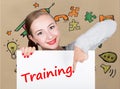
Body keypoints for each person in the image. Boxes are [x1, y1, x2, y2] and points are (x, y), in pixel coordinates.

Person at [21, 8, 117, 71]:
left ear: (57, 26)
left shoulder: (74, 50)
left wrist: (80, 46)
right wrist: (27, 60)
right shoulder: (34, 62)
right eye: (40, 33)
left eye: (51, 27)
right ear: (32, 38)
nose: (49, 36)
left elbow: (111, 25)